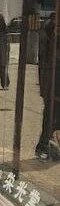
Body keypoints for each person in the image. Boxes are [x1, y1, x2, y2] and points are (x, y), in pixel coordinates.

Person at [37, 12, 58, 160]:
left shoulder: (49, 26)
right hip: (53, 81)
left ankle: (48, 145)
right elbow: (46, 57)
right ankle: (45, 145)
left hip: (51, 81)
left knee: (52, 115)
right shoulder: (51, 28)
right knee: (51, 114)